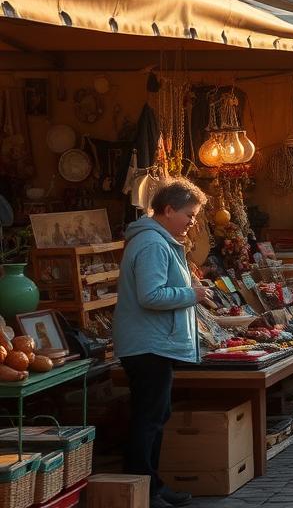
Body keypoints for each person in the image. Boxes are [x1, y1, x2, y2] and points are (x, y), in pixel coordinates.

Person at [115, 179, 213, 508]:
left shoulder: (160, 242)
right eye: (189, 214)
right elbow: (151, 295)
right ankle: (143, 489)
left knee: (157, 414)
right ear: (168, 210)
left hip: (155, 342)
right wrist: (192, 294)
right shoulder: (153, 245)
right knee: (149, 417)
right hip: (148, 344)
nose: (192, 221)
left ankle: (152, 484)